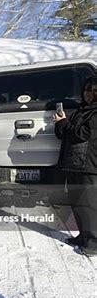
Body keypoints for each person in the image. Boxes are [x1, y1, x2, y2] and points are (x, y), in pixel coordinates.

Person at [54, 76, 97, 257]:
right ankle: (83, 236)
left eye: (94, 90)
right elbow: (64, 134)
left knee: (89, 206)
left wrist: (65, 124)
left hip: (89, 165)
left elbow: (83, 134)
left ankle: (93, 244)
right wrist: (60, 122)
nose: (89, 93)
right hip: (74, 164)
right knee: (78, 205)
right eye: (87, 89)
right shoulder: (81, 111)